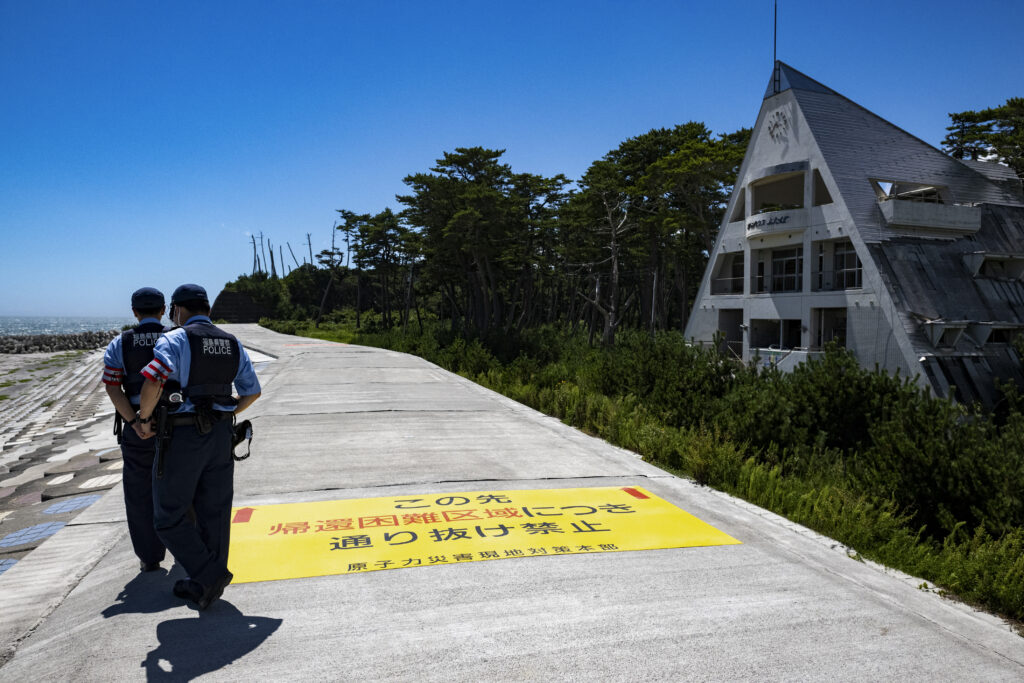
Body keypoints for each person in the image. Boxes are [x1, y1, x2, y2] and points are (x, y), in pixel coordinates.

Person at [137, 283, 261, 610]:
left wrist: (144, 417)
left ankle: (210, 574)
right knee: (215, 512)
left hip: (182, 436)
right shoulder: (232, 343)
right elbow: (252, 392)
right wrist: (225, 412)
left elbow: (154, 378)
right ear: (208, 308)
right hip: (220, 436)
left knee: (168, 515)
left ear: (177, 310)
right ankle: (206, 587)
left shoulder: (175, 338)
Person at [101, 286, 168, 573]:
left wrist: (134, 421)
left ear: (134, 312)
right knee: (183, 485)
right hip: (177, 422)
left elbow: (113, 387)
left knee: (139, 492)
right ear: (164, 310)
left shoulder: (121, 342)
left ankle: (149, 557)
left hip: (137, 425)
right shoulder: (176, 337)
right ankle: (187, 548)